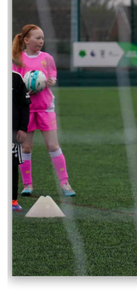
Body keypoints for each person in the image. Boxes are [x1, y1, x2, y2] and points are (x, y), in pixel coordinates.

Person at [11, 25, 76, 197]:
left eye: (42, 38)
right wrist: (25, 89)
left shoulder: (47, 58)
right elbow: (15, 83)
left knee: (53, 145)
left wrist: (49, 81)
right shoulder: (17, 59)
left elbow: (52, 77)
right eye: (37, 38)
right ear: (26, 40)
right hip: (26, 110)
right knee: (26, 147)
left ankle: (65, 183)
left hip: (46, 108)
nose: (41, 41)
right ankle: (27, 185)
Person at [12, 61, 31, 211]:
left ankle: (13, 201)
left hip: (13, 133)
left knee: (12, 166)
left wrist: (23, 128)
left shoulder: (16, 78)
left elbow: (25, 106)